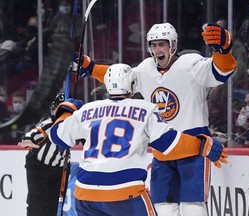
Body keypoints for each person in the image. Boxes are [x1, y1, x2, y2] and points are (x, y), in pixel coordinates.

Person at [73, 22, 236, 215]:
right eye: (153, 45)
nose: (157, 49)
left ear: (173, 45)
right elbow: (120, 78)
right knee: (164, 209)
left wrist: (223, 51)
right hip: (162, 151)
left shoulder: (191, 64)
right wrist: (90, 67)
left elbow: (221, 71)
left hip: (193, 148)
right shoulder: (145, 69)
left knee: (193, 208)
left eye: (162, 44)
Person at [49, 63, 228, 216]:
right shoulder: (146, 109)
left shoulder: (87, 110)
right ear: (132, 85)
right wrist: (202, 144)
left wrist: (66, 110)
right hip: (124, 190)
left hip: (85, 192)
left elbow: (57, 136)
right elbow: (170, 144)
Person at [17, 93, 70, 216]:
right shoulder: (48, 124)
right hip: (38, 165)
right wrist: (28, 140)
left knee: (55, 205)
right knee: (36, 204)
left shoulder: (73, 125)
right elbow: (35, 133)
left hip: (60, 168)